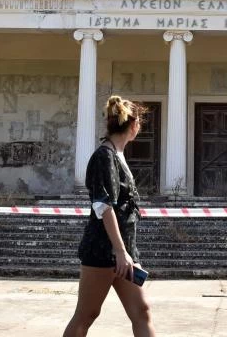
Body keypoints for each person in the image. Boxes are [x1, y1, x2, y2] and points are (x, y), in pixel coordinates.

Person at [63, 95, 155, 337]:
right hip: (104, 251)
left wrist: (126, 252)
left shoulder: (117, 155)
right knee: (87, 314)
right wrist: (119, 251)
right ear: (134, 125)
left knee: (141, 311)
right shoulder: (104, 156)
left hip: (123, 252)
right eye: (140, 124)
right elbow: (103, 206)